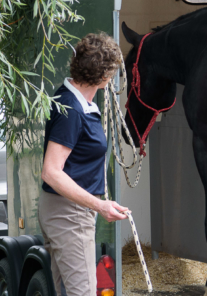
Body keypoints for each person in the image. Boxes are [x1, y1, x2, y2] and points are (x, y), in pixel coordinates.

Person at [39, 33, 129, 296]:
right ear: (103, 77)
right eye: (112, 73)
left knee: (68, 291)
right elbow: (51, 172)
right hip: (70, 215)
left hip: (67, 212)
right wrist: (100, 205)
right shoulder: (72, 110)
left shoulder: (77, 100)